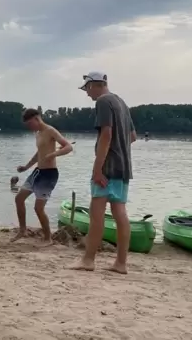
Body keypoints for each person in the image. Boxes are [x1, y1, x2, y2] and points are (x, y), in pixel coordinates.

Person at [70, 71, 137, 274]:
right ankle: (121, 263)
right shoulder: (121, 103)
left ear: (94, 85)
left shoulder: (103, 102)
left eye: (87, 89)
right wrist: (120, 149)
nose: (87, 94)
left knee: (96, 214)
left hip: (107, 167)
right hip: (124, 167)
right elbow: (132, 136)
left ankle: (88, 260)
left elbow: (106, 134)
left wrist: (98, 168)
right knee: (120, 214)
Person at [13, 108, 73, 243]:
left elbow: (68, 147)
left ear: (37, 118)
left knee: (38, 208)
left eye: (29, 124)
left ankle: (48, 238)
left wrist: (54, 154)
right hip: (37, 172)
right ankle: (22, 231)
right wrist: (26, 167)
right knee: (19, 198)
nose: (29, 127)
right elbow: (38, 153)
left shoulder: (50, 130)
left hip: (49, 175)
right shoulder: (38, 133)